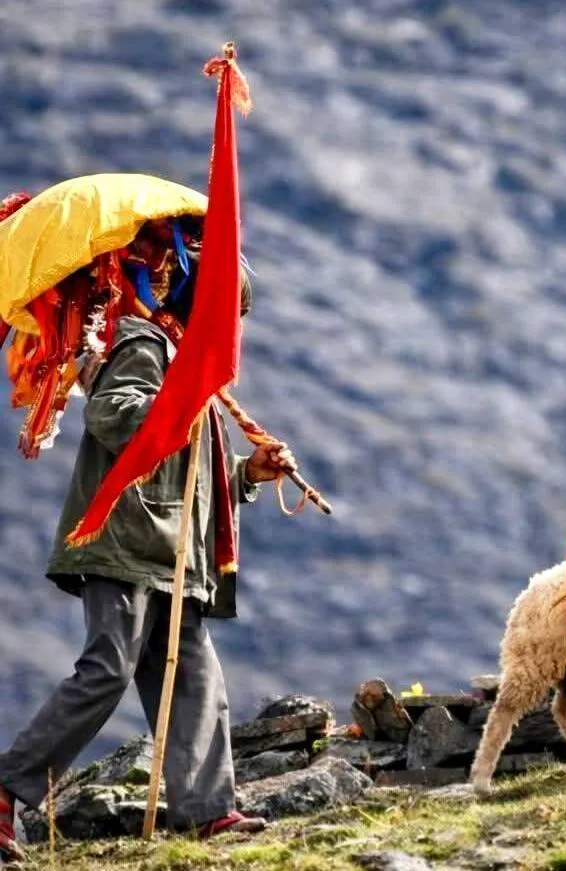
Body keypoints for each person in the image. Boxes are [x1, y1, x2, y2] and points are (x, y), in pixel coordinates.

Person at [0, 222, 287, 861]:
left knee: (195, 679)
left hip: (170, 557)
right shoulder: (142, 344)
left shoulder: (191, 368)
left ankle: (205, 812)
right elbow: (112, 415)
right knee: (107, 669)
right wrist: (177, 408)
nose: (232, 328)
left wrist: (248, 476)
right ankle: (6, 790)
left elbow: (191, 477)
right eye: (225, 311)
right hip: (122, 543)